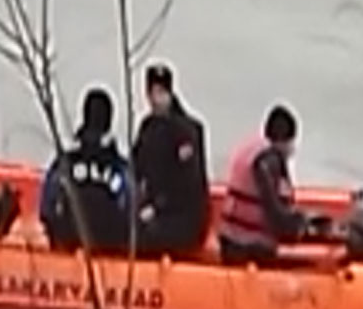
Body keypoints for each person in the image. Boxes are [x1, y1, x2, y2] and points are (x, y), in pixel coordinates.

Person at [217, 103, 325, 266]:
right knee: (309, 264)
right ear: (285, 141)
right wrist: (303, 227)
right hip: (249, 247)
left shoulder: (253, 148)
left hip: (230, 240)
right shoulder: (269, 161)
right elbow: (276, 217)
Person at [132, 62, 210, 257]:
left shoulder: (187, 132)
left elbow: (188, 185)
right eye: (152, 93)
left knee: (143, 235)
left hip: (182, 217)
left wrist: (157, 207)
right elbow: (135, 168)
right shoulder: (148, 128)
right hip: (155, 209)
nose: (155, 99)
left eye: (161, 92)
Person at [40, 86, 132, 251]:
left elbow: (47, 205)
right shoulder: (119, 168)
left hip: (69, 241)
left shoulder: (64, 164)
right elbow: (131, 207)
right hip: (110, 247)